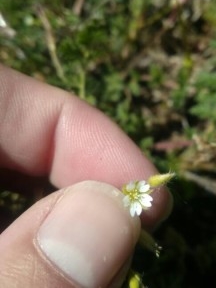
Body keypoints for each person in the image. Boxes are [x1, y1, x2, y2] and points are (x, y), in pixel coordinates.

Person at [0, 64, 172, 287]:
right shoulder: (132, 193)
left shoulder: (132, 194)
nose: (132, 192)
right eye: (133, 191)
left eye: (134, 192)